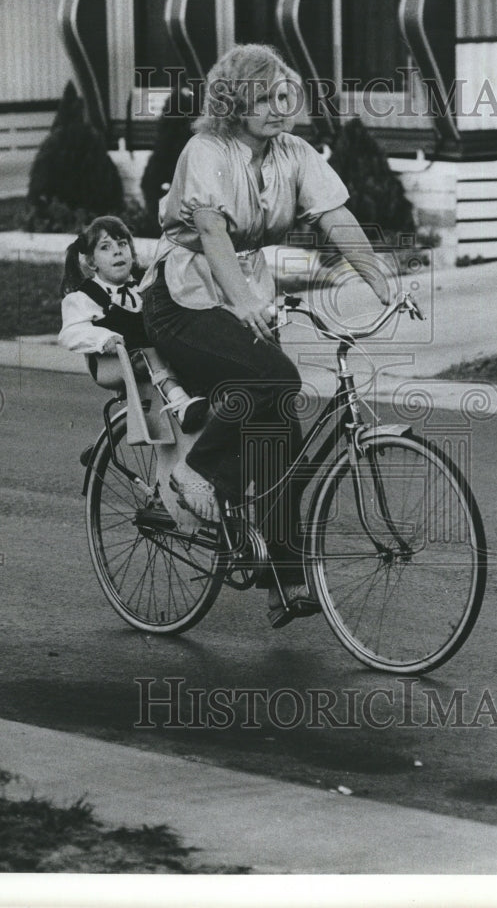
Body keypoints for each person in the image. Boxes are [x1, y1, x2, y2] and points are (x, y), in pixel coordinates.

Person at [139, 44, 392, 628]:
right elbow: (210, 231)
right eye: (263, 98)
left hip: (243, 294)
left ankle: (282, 579)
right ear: (233, 102)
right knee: (276, 377)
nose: (280, 109)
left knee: (283, 434)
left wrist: (378, 276)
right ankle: (195, 472)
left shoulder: (294, 153)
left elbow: (335, 217)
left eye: (284, 96)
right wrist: (244, 301)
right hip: (183, 299)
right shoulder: (206, 150)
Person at [58, 216, 207, 433]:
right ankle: (181, 405)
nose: (117, 252)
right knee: (150, 354)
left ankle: (203, 401)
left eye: (122, 244)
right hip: (110, 363)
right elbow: (71, 332)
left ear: (132, 252)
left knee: (186, 348)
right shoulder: (85, 297)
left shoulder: (146, 284)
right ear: (92, 262)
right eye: (106, 247)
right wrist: (103, 339)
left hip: (147, 356)